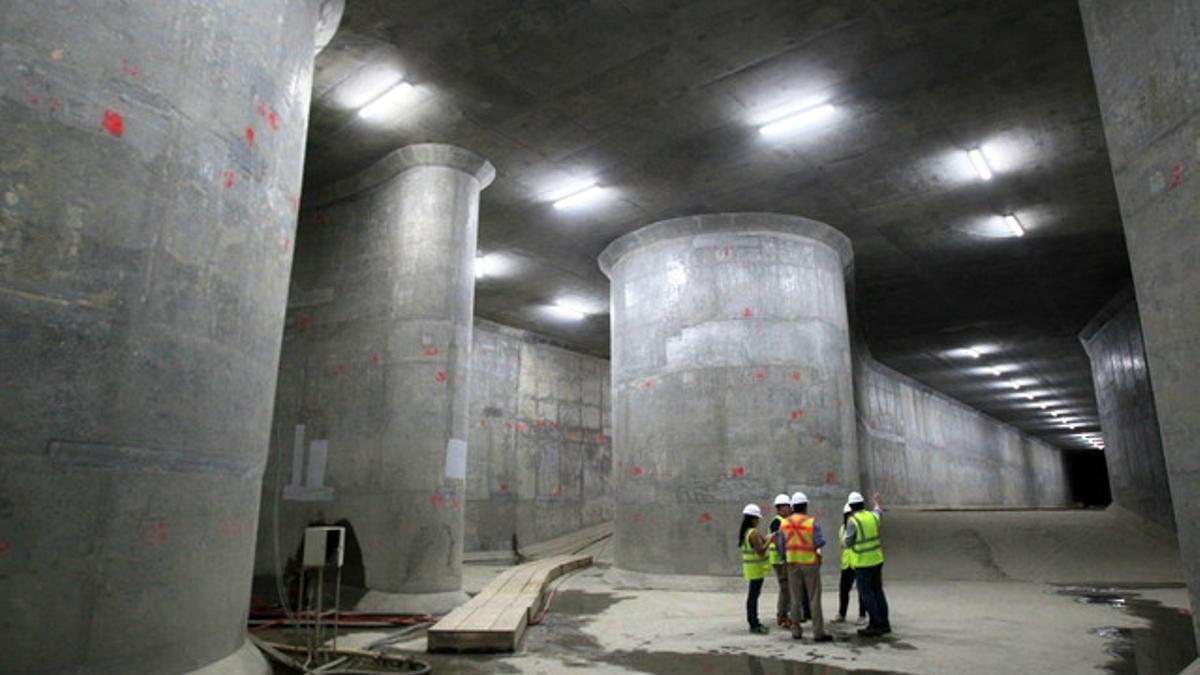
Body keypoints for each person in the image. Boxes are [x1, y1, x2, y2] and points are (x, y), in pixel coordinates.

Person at [780, 491, 832, 642]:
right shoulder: (811, 522)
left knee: (795, 598)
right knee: (814, 597)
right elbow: (819, 541)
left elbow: (781, 546)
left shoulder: (784, 524)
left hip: (792, 563)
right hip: (809, 563)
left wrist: (786, 558)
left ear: (792, 506)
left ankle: (796, 630)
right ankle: (818, 632)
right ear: (805, 506)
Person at [844, 491, 890, 637]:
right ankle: (884, 623)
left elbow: (849, 542)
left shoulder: (853, 521)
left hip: (863, 563)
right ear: (863, 504)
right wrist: (876, 501)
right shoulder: (872, 516)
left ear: (850, 506)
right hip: (877, 559)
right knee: (878, 591)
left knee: (867, 594)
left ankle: (875, 624)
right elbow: (878, 511)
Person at [738, 503, 772, 634]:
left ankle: (753, 622)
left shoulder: (747, 532)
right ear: (753, 519)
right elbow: (761, 550)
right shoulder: (753, 533)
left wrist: (768, 537)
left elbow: (762, 540)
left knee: (753, 596)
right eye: (757, 518)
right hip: (756, 569)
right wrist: (771, 540)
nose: (758, 521)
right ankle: (754, 623)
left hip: (752, 569)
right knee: (753, 597)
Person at [834, 503, 867, 625]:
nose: (849, 517)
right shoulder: (843, 528)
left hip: (858, 562)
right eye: (847, 515)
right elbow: (843, 544)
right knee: (843, 589)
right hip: (847, 563)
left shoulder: (857, 525)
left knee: (861, 590)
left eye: (850, 514)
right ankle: (842, 614)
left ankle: (862, 615)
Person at [767, 493, 793, 628]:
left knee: (787, 588)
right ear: (781, 508)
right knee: (785, 588)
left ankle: (785, 614)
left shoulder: (785, 521)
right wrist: (784, 558)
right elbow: (778, 542)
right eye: (788, 506)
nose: (790, 508)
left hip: (783, 559)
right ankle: (782, 616)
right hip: (780, 560)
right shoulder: (777, 522)